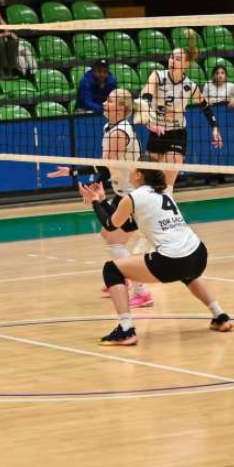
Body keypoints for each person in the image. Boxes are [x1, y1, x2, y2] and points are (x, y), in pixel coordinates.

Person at [79, 162, 233, 345]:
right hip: (198, 255)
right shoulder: (162, 193)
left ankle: (126, 329)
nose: (130, 171)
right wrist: (103, 201)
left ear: (139, 175)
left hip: (172, 260)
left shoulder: (134, 197)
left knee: (111, 270)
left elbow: (111, 225)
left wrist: (95, 201)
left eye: (133, 169)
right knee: (187, 273)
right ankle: (220, 316)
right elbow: (127, 225)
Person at [49, 89, 156, 309]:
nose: (105, 103)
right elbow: (109, 169)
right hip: (122, 192)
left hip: (134, 196)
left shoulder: (120, 132)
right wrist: (95, 182)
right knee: (109, 235)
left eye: (110, 100)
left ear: (122, 108)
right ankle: (125, 276)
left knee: (114, 239)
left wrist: (73, 172)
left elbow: (104, 165)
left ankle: (141, 291)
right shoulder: (110, 127)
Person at [137, 39, 224, 194]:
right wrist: (148, 121)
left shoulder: (190, 86)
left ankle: (168, 205)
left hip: (177, 133)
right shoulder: (157, 76)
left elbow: (205, 106)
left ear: (186, 64)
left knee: (168, 186)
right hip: (157, 132)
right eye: (171, 57)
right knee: (151, 182)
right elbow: (146, 98)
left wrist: (215, 128)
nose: (172, 61)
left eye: (177, 59)